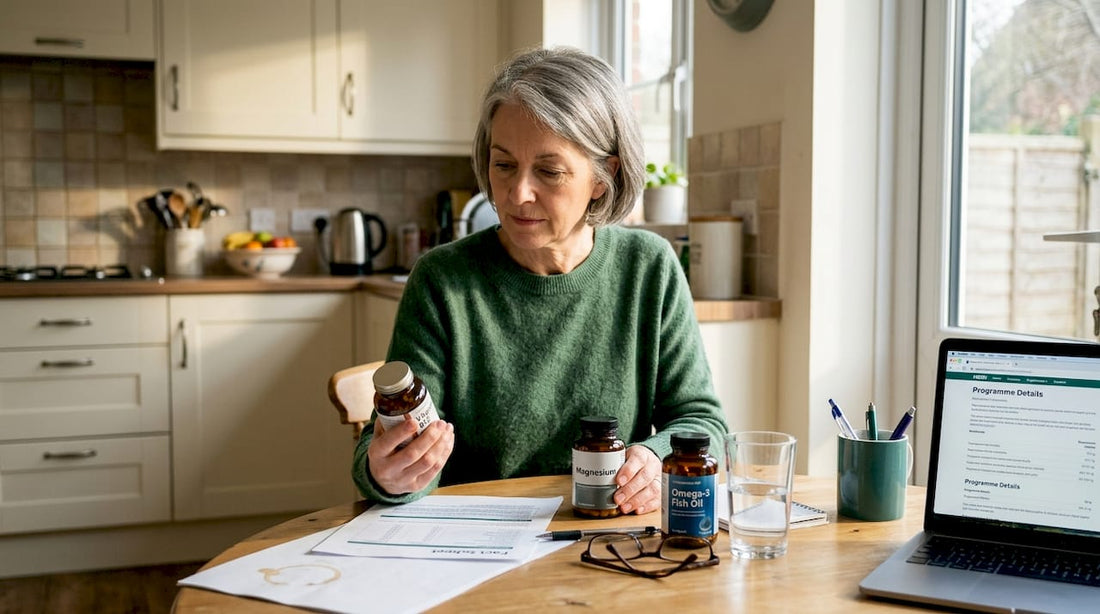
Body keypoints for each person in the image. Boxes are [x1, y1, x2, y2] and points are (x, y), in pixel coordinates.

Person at [352, 47, 727, 515]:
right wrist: (387, 472)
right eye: (503, 164)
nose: (516, 193)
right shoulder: (443, 280)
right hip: (472, 542)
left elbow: (702, 420)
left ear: (602, 176)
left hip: (605, 536)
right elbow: (387, 440)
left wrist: (654, 458)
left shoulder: (649, 267)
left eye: (548, 171)